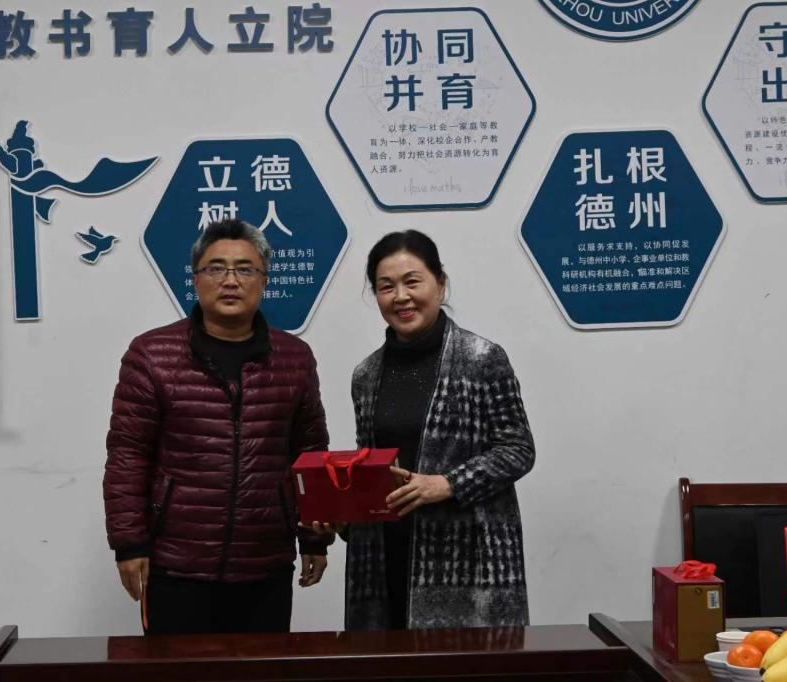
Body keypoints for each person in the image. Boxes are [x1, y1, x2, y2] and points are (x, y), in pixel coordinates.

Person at [103, 219, 331, 635]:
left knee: (262, 668)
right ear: (195, 279)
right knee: (175, 669)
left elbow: (310, 454)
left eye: (245, 269)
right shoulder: (152, 354)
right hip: (176, 564)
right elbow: (128, 456)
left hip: (265, 563)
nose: (230, 280)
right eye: (216, 268)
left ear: (264, 280)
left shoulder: (294, 358)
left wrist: (314, 538)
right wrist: (129, 543)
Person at [344, 229, 535, 630]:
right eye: (386, 286)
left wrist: (448, 483)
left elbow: (518, 448)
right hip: (385, 557)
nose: (401, 297)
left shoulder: (482, 358)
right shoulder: (366, 374)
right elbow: (373, 467)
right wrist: (340, 512)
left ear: (440, 283)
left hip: (466, 559)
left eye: (412, 281)